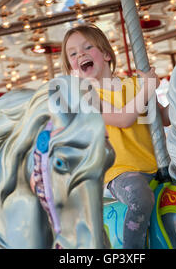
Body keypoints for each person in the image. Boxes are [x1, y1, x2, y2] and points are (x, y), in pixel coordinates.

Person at [61, 24, 169, 248]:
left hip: (157, 166)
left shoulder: (134, 85)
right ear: (72, 68)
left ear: (107, 54)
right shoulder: (85, 98)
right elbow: (122, 119)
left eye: (87, 47)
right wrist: (147, 89)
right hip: (120, 172)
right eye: (73, 54)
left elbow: (163, 117)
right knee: (140, 200)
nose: (80, 54)